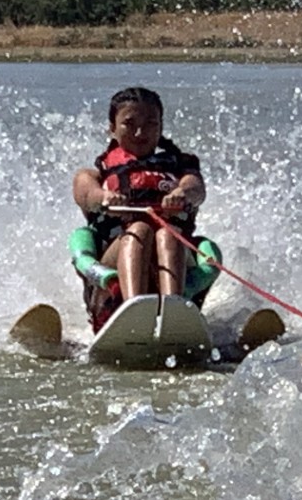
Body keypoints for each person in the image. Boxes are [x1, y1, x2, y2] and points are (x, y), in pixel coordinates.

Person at [71, 86, 216, 328]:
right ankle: (133, 311)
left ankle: (173, 312)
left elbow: (196, 189)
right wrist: (106, 197)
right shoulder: (92, 175)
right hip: (114, 262)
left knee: (168, 234)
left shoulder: (182, 171)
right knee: (139, 230)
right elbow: (88, 194)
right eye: (130, 123)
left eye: (151, 124)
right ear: (112, 127)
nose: (141, 132)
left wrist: (181, 193)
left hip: (174, 254)